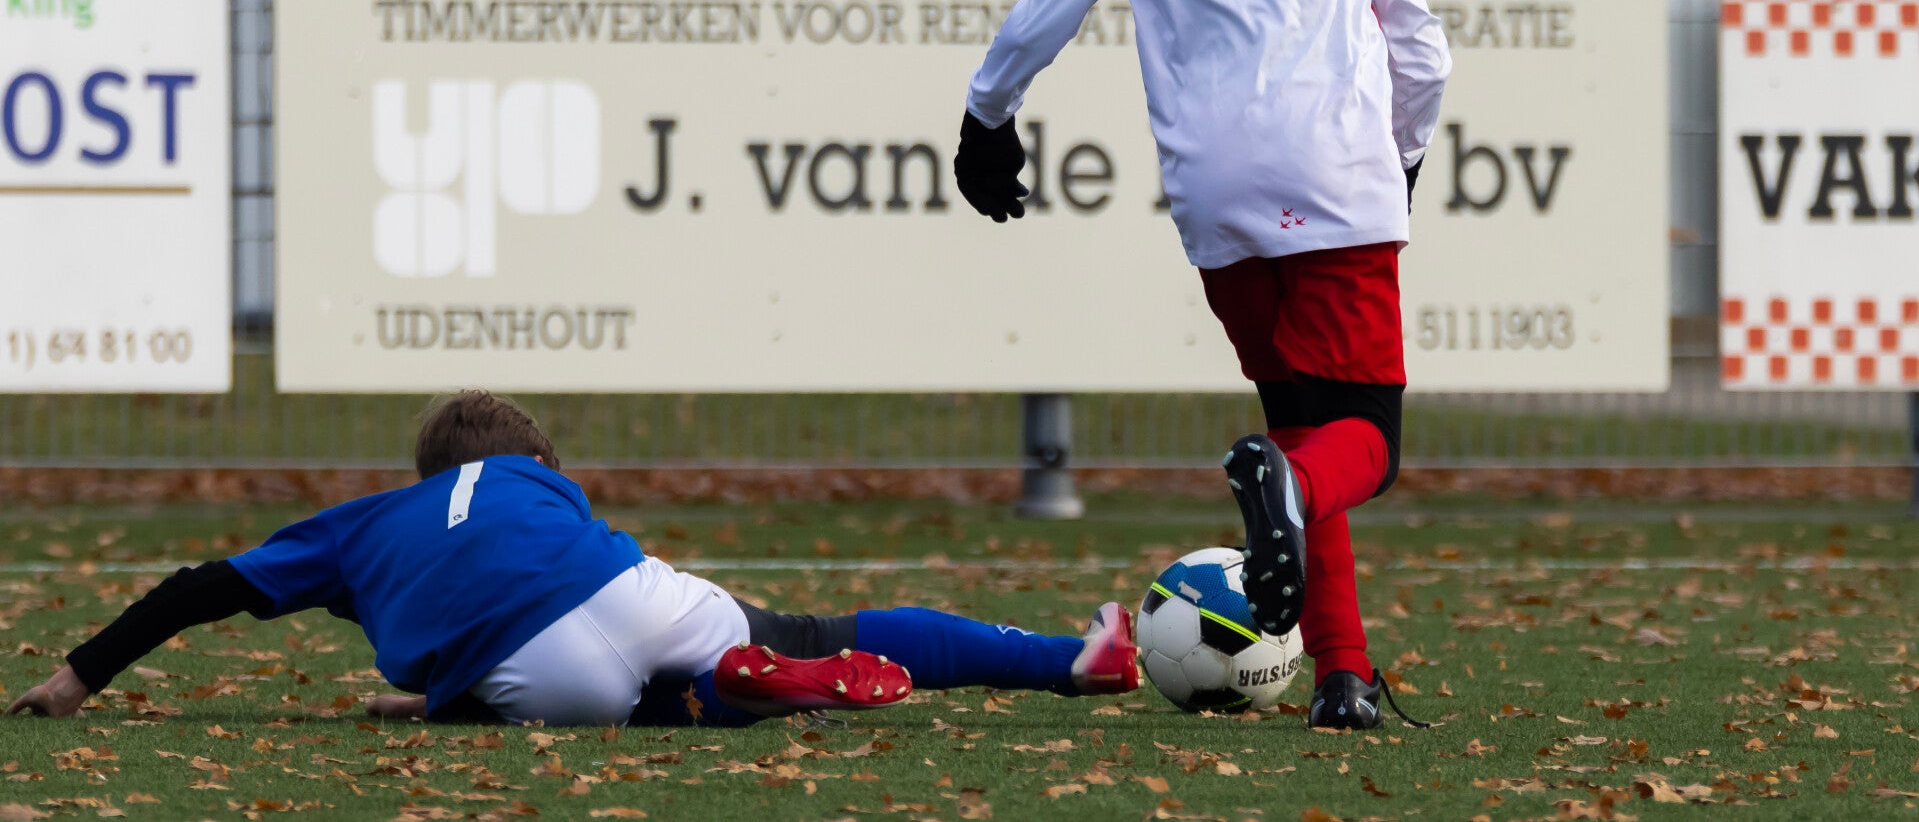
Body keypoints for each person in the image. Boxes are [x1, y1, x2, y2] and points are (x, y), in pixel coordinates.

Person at [953, 0, 1449, 730]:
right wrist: (1402, 160)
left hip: (1216, 201)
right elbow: (1420, 50)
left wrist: (986, 119)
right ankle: (1291, 507)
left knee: (1300, 426)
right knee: (1360, 443)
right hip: (1335, 178)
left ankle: (1342, 674)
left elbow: (1043, 8)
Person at [6, 390, 1139, 727]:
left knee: (616, 703)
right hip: (630, 596)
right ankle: (1070, 659)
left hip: (536, 672)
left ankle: (724, 697)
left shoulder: (361, 523)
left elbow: (200, 587)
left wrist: (76, 677)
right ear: (540, 457)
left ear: (422, 472)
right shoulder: (535, 480)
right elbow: (527, 571)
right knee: (806, 630)